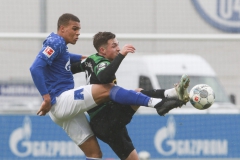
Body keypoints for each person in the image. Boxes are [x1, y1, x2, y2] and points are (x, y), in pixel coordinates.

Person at [29, 13, 185, 160]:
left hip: (61, 113)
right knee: (107, 88)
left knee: (94, 153)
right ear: (62, 29)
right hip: (61, 101)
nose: (78, 33)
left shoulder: (60, 46)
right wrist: (46, 97)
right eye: (74, 29)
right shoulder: (56, 41)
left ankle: (168, 95)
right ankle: (158, 103)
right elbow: (35, 68)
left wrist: (85, 58)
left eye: (79, 29)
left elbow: (64, 59)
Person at [71, 31, 190, 160]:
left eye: (118, 45)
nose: (118, 48)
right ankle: (168, 96)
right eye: (114, 46)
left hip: (103, 123)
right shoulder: (101, 63)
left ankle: (171, 93)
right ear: (102, 50)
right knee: (136, 94)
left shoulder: (90, 60)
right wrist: (121, 55)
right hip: (107, 117)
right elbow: (104, 76)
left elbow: (72, 68)